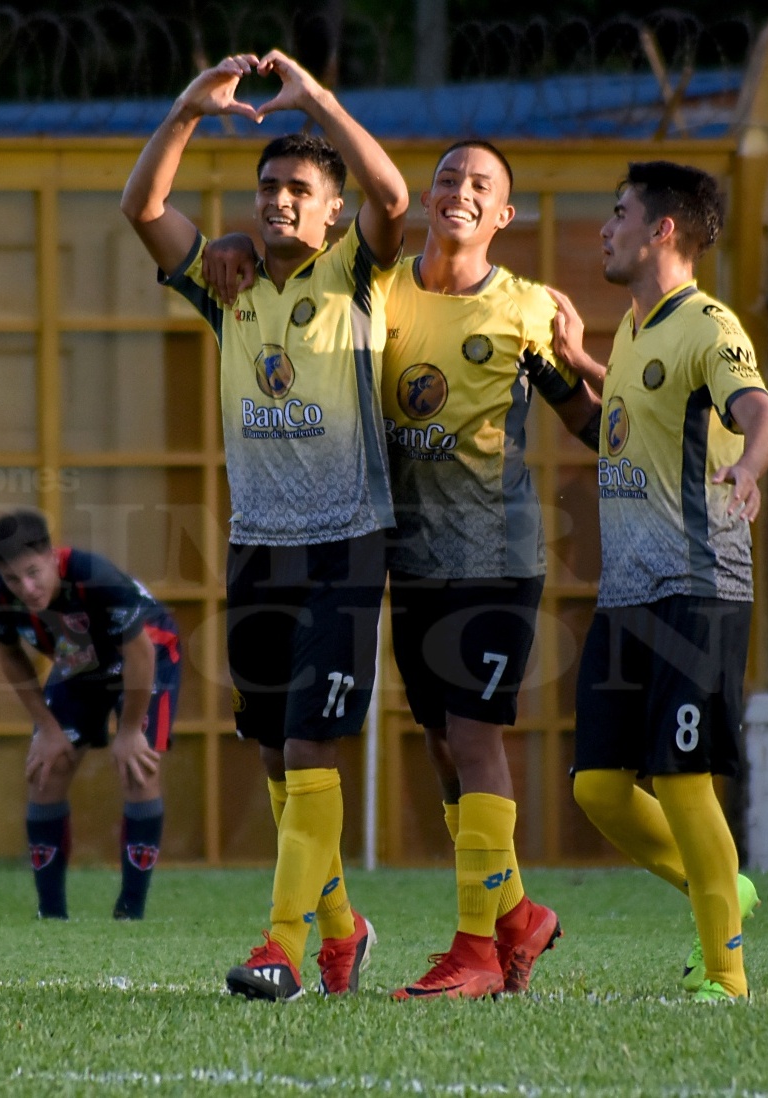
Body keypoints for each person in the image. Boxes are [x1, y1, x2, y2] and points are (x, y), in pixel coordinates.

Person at [202, 140, 601, 999]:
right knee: (442, 755)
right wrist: (235, 243)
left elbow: (590, 425)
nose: (460, 192)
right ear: (426, 196)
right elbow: (298, 281)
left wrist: (593, 364)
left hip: (493, 555)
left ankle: (475, 951)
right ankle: (517, 914)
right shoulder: (375, 285)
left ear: (504, 215)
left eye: (481, 185)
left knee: (470, 738)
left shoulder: (527, 309)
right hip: (400, 556)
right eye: (449, 178)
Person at [121, 50, 407, 1000]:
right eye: (268, 186)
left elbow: (395, 196)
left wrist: (319, 99)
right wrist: (189, 109)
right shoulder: (228, 282)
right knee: (282, 758)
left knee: (308, 746)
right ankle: (340, 930)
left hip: (346, 537)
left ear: (329, 212)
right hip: (256, 544)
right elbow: (141, 211)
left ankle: (280, 945)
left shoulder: (357, 271)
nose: (278, 200)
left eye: (297, 189)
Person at [550, 161, 768, 1002]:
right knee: (599, 788)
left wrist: (749, 470)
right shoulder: (636, 328)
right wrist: (576, 361)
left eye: (618, 213)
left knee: (682, 779)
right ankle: (722, 891)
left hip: (696, 585)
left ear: (662, 231)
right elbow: (626, 433)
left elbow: (761, 413)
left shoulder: (709, 326)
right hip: (626, 596)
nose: (604, 228)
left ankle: (725, 977)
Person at [0, 509, 181, 922]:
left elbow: (140, 652)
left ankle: (131, 913)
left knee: (139, 767)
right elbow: (11, 657)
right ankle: (51, 915)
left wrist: (129, 731)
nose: (27, 588)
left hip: (149, 652)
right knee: (47, 768)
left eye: (34, 572)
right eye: (14, 579)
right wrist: (48, 729)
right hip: (81, 661)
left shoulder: (94, 574)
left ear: (54, 556)